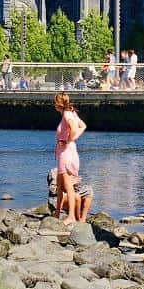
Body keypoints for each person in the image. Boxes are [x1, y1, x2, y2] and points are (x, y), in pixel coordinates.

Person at [51, 92, 91, 224]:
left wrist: (68, 139)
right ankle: (57, 213)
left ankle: (71, 216)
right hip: (67, 151)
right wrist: (70, 140)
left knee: (68, 186)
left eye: (55, 102)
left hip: (66, 153)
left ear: (58, 104)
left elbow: (74, 128)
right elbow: (83, 126)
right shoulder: (71, 113)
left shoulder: (68, 114)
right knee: (60, 184)